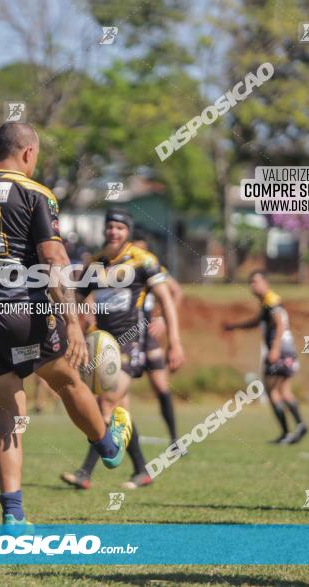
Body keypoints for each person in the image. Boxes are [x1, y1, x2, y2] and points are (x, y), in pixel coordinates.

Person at [0, 122, 133, 526]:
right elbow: (55, 261)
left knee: (8, 418)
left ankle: (13, 514)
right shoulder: (35, 192)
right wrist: (72, 322)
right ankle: (107, 446)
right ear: (28, 153)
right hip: (27, 314)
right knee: (67, 381)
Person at [61, 208, 185, 490]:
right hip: (102, 343)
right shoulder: (95, 263)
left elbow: (166, 299)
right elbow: (76, 299)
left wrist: (174, 340)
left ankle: (85, 473)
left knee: (105, 403)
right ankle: (142, 470)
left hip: (133, 340)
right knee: (119, 408)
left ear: (127, 231)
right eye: (110, 227)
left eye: (119, 227)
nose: (113, 232)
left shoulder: (143, 260)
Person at [224, 272, 307, 444]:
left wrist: (275, 349)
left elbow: (280, 323)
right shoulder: (267, 302)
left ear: (265, 282)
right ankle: (299, 426)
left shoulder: (271, 299)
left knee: (272, 391)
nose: (252, 286)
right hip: (288, 350)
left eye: (255, 282)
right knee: (283, 390)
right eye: (250, 282)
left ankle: (287, 432)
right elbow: (257, 321)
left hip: (281, 350)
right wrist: (235, 326)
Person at [133, 237, 184, 448]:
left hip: (147, 336)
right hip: (124, 335)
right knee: (114, 394)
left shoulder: (153, 267)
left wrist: (162, 317)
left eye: (143, 249)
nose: (140, 254)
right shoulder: (118, 267)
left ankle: (175, 440)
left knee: (162, 388)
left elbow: (177, 292)